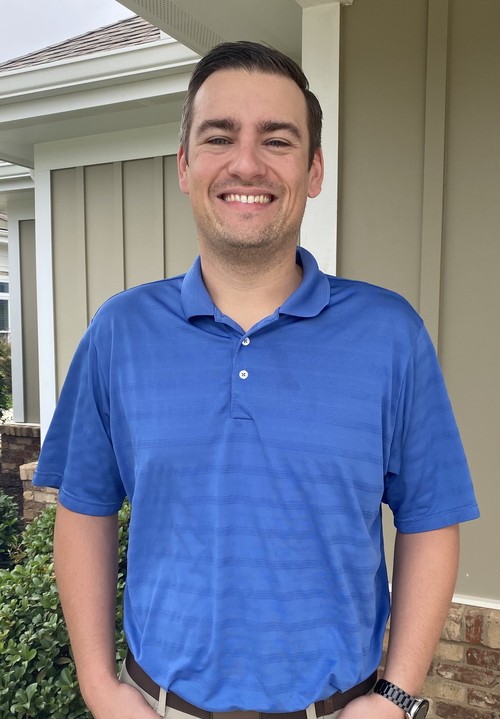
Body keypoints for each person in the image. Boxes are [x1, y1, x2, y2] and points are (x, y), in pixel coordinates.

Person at [33, 41, 479, 719]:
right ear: (184, 165)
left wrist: (394, 698)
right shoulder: (120, 332)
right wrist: (99, 686)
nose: (247, 163)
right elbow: (85, 507)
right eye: (219, 137)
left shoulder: (392, 336)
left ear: (314, 169)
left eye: (277, 139)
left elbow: (431, 517)